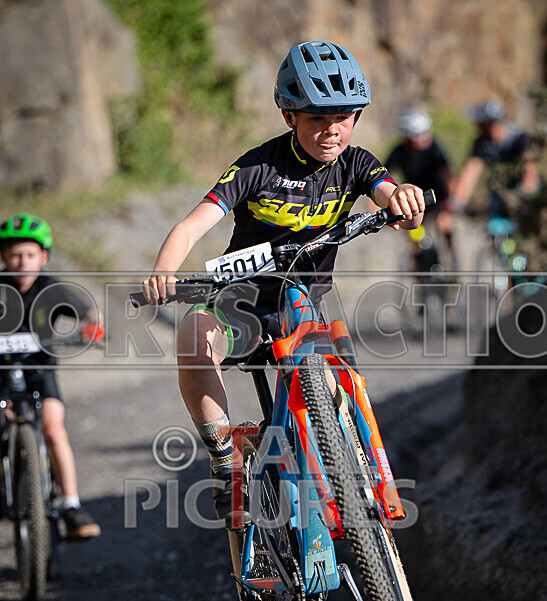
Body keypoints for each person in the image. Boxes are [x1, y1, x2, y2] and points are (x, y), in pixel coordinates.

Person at [142, 41, 426, 525]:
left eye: (343, 117)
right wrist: (164, 270)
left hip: (302, 305)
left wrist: (401, 198)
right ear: (288, 115)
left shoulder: (355, 163)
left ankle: (358, 468)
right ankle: (224, 459)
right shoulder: (259, 165)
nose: (331, 130)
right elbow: (193, 225)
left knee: (339, 376)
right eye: (315, 118)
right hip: (242, 303)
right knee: (192, 338)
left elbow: (386, 191)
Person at [0, 214, 103, 539]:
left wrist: (92, 326)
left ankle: (71, 505)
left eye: (30, 255)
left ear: (43, 257)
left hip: (41, 371)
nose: (22, 262)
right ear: (4, 257)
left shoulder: (51, 287)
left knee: (54, 430)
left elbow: (86, 312)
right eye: (15, 254)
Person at [385, 109, 455, 268]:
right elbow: (382, 173)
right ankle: (419, 268)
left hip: (438, 197)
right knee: (414, 234)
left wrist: (450, 201)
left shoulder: (434, 149)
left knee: (443, 224)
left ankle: (452, 257)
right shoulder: (400, 151)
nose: (425, 138)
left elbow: (448, 175)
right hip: (415, 199)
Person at [448, 99, 540, 217]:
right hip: (500, 189)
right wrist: (456, 201)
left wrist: (524, 198)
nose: (476, 126)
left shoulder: (520, 139)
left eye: (479, 123)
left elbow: (530, 170)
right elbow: (470, 173)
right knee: (496, 225)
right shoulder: (482, 142)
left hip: (524, 191)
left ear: (489, 124)